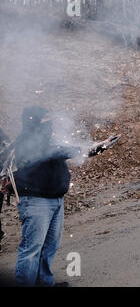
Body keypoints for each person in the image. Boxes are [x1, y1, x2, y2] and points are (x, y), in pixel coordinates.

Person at [0, 106, 118, 287]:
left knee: (49, 247)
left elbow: (62, 150)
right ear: (34, 121)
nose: (50, 122)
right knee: (31, 250)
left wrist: (95, 148)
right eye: (45, 119)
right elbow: (56, 151)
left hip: (56, 200)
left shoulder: (47, 140)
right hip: (35, 201)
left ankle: (45, 283)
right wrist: (91, 148)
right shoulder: (27, 142)